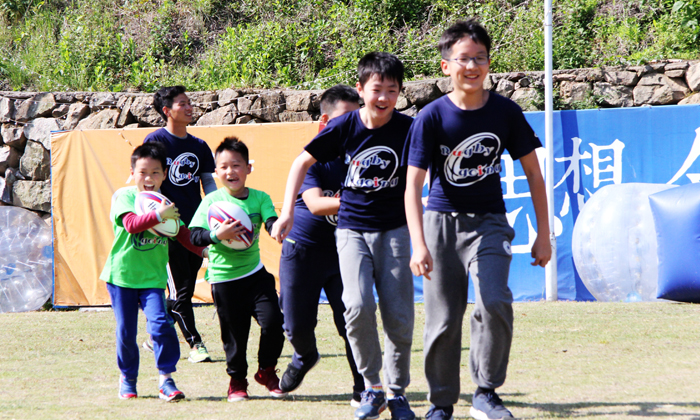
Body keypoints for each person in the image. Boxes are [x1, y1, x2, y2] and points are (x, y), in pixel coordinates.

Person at [404, 19, 552, 420]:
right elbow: (412, 186)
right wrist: (418, 243)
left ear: (489, 63)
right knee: (443, 318)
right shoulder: (431, 117)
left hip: (489, 222)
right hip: (439, 224)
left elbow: (534, 174)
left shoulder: (506, 112)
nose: (473, 66)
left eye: (480, 58)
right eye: (463, 59)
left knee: (495, 301)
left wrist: (544, 233)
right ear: (446, 66)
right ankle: (441, 402)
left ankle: (486, 392)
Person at [272, 52, 416, 420]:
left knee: (398, 315)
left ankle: (397, 393)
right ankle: (372, 387)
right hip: (351, 231)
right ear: (361, 88)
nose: (383, 98)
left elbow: (423, 176)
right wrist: (287, 212)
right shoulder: (345, 126)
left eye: (391, 90)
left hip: (395, 231)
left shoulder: (409, 128)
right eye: (376, 89)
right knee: (355, 306)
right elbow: (300, 163)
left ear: (400, 92)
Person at [277, 84, 365, 406]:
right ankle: (304, 356)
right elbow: (315, 205)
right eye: (345, 118)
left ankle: (363, 387)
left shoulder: (365, 156)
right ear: (324, 122)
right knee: (296, 325)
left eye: (358, 118)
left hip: (347, 252)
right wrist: (366, 200)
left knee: (354, 323)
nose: (352, 126)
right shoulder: (313, 155)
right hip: (303, 253)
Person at [100, 142, 208, 402]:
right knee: (126, 332)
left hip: (153, 279)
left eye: (156, 172)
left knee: (161, 325)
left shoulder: (165, 202)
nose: (149, 179)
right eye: (143, 172)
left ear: (165, 173)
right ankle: (128, 378)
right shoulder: (124, 196)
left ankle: (166, 380)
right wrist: (159, 215)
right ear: (132, 172)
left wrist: (206, 252)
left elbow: (182, 234)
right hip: (121, 277)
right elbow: (131, 224)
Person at [189, 137, 286, 402]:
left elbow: (271, 221)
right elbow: (195, 236)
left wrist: (277, 228)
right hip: (224, 280)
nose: (231, 171)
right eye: (224, 167)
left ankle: (266, 370)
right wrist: (218, 234)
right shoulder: (211, 201)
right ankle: (237, 382)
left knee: (275, 322)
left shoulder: (260, 198)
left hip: (255, 276)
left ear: (248, 168)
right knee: (235, 335)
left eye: (237, 165)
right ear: (216, 172)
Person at [144, 85, 217, 364]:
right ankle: (195, 344)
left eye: (190, 102)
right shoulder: (155, 142)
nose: (189, 107)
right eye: (182, 103)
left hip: (196, 230)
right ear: (167, 111)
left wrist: (216, 211)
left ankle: (155, 334)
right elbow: (148, 185)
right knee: (182, 291)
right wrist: (159, 217)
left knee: (182, 288)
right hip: (169, 231)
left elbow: (208, 184)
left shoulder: (199, 146)